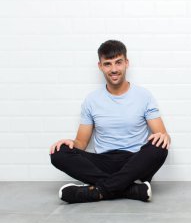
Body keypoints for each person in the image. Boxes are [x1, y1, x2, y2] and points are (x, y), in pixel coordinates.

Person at [49, 40, 170, 204]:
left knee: (159, 147)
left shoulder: (144, 96)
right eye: (108, 64)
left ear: (126, 63)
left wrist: (164, 138)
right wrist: (70, 143)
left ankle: (98, 190)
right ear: (100, 66)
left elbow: (161, 135)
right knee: (58, 153)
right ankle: (131, 189)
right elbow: (81, 142)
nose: (114, 69)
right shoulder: (91, 100)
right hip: (102, 163)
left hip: (135, 162)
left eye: (118, 62)